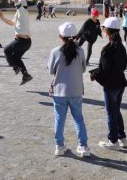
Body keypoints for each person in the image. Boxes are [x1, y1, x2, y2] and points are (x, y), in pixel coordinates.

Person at [47, 22, 90, 157]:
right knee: (78, 118)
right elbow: (83, 69)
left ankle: (59, 146)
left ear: (61, 36)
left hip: (59, 91)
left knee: (59, 119)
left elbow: (50, 70)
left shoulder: (55, 52)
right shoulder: (81, 51)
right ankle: (83, 146)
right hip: (76, 90)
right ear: (76, 36)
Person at [89, 17, 127, 150]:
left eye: (104, 28)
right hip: (120, 82)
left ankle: (113, 141)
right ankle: (122, 137)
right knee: (116, 110)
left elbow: (104, 70)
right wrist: (97, 71)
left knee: (111, 112)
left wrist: (95, 74)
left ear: (107, 30)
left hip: (111, 85)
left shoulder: (108, 49)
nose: (103, 31)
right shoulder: (121, 46)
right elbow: (123, 66)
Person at [0, 0, 33, 85]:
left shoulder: (22, 11)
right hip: (26, 42)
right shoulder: (19, 13)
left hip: (22, 41)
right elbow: (11, 23)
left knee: (6, 50)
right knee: (17, 57)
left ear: (21, 6)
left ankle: (16, 67)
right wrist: (2, 18)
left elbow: (15, 0)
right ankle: (25, 75)